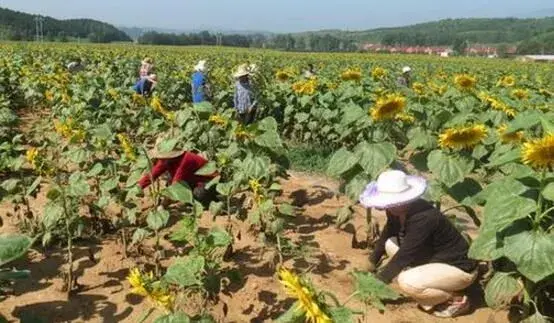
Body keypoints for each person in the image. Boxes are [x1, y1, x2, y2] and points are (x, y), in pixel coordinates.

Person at [359, 170, 478, 318]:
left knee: (407, 282)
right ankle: (428, 281)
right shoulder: (395, 211)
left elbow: (405, 255)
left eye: (396, 201)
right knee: (390, 243)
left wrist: (378, 284)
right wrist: (371, 262)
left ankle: (456, 299)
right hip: (435, 259)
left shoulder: (423, 217)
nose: (391, 206)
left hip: (459, 268)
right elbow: (387, 233)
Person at [138, 136, 218, 206]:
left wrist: (163, 205)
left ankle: (211, 202)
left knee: (199, 194)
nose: (160, 159)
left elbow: (176, 186)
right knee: (170, 177)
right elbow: (153, 174)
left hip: (209, 182)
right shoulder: (165, 160)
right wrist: (138, 188)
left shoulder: (186, 160)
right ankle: (190, 199)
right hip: (193, 181)